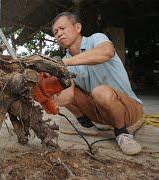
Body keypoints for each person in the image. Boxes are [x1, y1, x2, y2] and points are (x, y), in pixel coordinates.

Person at [52, 12, 143, 155]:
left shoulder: (96, 39)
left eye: (63, 28)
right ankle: (87, 123)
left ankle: (122, 133)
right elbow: (68, 96)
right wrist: (52, 95)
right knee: (57, 85)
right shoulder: (65, 61)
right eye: (56, 32)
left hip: (128, 110)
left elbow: (106, 52)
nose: (59, 34)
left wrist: (65, 63)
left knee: (100, 92)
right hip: (100, 114)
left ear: (78, 27)